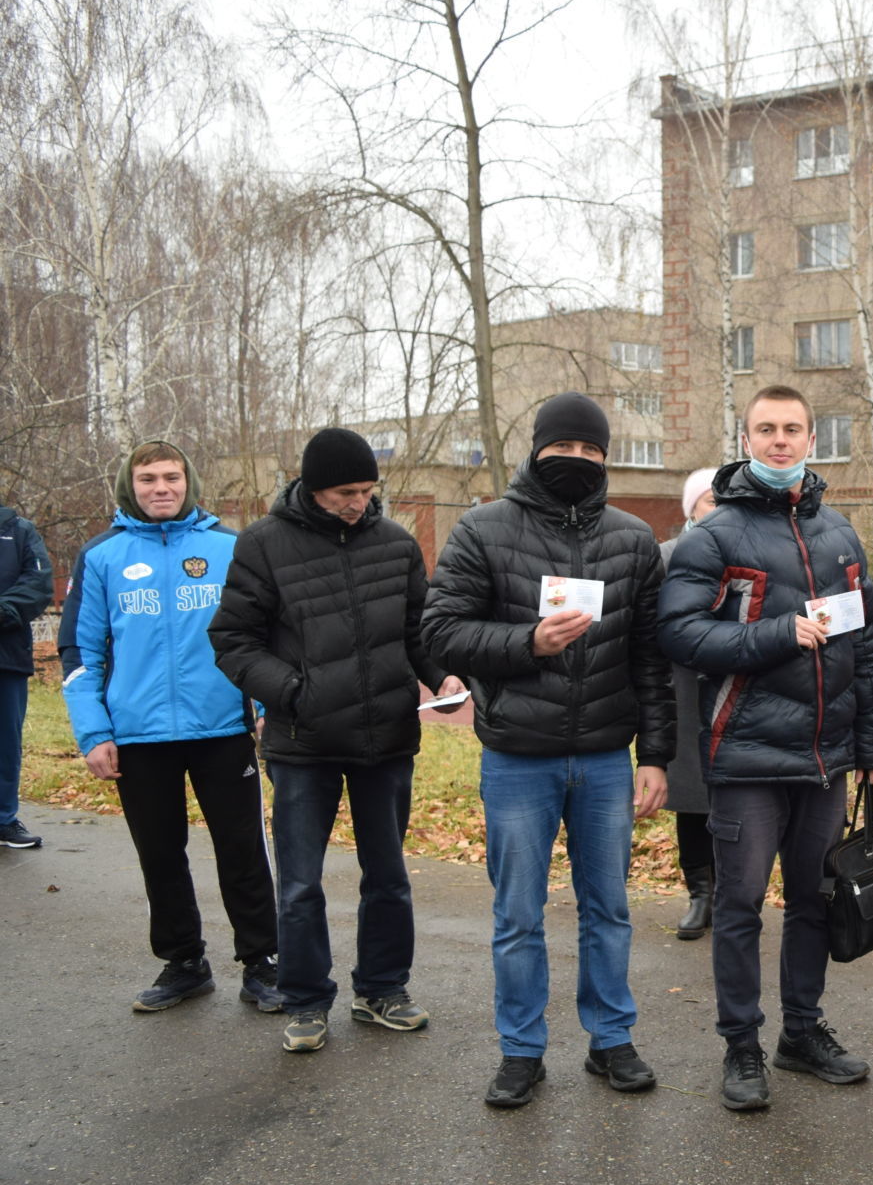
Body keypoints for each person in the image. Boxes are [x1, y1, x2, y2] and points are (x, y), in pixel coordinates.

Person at [422, 392, 675, 1109]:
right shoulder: (482, 530)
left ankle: (611, 1037)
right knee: (517, 913)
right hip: (517, 755)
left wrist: (655, 754)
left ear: (606, 458)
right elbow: (439, 633)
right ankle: (521, 1049)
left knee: (610, 906)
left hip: (603, 756)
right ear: (537, 450)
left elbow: (651, 661)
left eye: (592, 451)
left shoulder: (632, 541)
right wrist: (526, 642)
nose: (578, 461)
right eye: (564, 449)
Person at [658, 384, 873, 1113]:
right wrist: (774, 633)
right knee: (740, 904)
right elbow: (681, 635)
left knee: (813, 902)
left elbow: (869, 645)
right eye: (767, 429)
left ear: (811, 438)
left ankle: (800, 1032)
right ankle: (741, 1045)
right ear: (746, 437)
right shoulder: (714, 537)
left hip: (824, 758)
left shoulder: (841, 536)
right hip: (747, 758)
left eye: (792, 428)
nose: (780, 440)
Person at [210, 427, 464, 1055]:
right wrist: (293, 691)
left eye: (367, 490)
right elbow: (232, 641)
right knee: (300, 882)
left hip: (387, 740)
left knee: (388, 875)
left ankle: (381, 989)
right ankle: (304, 998)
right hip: (303, 743)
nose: (359, 502)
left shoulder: (397, 545)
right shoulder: (263, 546)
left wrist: (443, 675)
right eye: (345, 491)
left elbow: (416, 631)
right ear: (313, 487)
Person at [60, 440, 281, 1013]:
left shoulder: (231, 547)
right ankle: (183, 962)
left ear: (190, 482)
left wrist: (262, 710)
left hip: (222, 729)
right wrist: (94, 733)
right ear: (128, 487)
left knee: (242, 850)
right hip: (137, 736)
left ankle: (262, 962)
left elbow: (264, 637)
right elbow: (81, 653)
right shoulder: (102, 555)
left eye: (172, 477)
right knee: (160, 853)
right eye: (148, 479)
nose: (162, 488)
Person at [660, 467, 720, 941]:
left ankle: (735, 893)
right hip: (681, 689)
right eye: (708, 501)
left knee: (738, 796)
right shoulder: (664, 557)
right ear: (690, 509)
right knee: (691, 797)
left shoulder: (749, 551)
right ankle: (700, 893)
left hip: (738, 687)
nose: (717, 510)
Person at [0, 495, 52, 850]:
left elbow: (38, 584)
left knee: (5, 743)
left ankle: (4, 820)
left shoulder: (19, 531)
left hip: (6, 656)